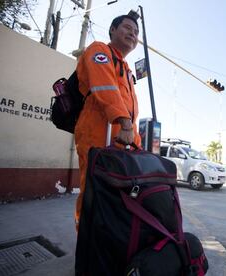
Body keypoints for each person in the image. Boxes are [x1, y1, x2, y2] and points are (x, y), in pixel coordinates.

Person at [74, 13, 142, 230]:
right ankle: (87, 248)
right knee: (93, 193)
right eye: (127, 27)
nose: (133, 33)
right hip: (97, 135)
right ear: (112, 30)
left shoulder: (128, 70)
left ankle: (109, 246)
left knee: (117, 199)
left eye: (136, 31)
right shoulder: (99, 50)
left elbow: (132, 112)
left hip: (123, 140)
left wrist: (137, 144)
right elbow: (105, 88)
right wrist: (125, 124)